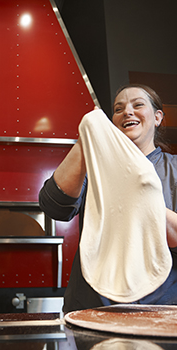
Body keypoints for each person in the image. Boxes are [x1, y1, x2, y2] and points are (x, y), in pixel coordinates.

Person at [39, 84, 177, 314]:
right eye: (118, 108)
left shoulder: (174, 169)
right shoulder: (93, 169)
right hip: (92, 306)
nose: (127, 112)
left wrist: (142, 201)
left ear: (157, 117)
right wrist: (87, 139)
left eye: (138, 104)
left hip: (160, 308)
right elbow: (54, 206)